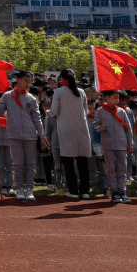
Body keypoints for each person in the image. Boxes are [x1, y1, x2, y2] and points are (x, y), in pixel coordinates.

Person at [0, 71, 46, 201]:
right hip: (14, 135)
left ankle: (30, 189)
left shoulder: (31, 98)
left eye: (30, 82)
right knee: (18, 164)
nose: (28, 84)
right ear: (18, 80)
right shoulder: (7, 96)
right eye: (26, 81)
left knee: (30, 164)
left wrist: (42, 136)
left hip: (30, 136)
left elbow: (37, 119)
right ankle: (19, 188)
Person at [47, 68, 92, 199]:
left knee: (68, 161)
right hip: (82, 128)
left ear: (61, 78)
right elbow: (86, 113)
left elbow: (54, 111)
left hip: (66, 129)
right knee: (83, 162)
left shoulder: (58, 91)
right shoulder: (82, 91)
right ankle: (85, 191)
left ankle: (73, 190)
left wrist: (47, 114)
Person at [94, 90, 133, 203]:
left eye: (118, 98)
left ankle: (122, 191)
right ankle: (114, 192)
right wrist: (99, 128)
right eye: (114, 98)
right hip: (108, 145)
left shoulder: (121, 111)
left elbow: (128, 129)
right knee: (111, 170)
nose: (117, 100)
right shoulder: (100, 111)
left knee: (122, 169)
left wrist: (130, 144)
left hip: (121, 144)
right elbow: (95, 126)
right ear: (107, 97)